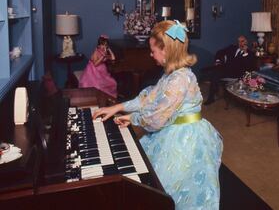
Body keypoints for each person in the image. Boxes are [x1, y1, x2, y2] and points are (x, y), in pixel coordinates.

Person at [92, 20, 223, 210]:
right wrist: (118, 107)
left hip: (186, 138)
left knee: (168, 187)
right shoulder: (170, 74)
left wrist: (133, 118)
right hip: (172, 128)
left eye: (153, 50)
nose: (151, 54)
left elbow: (157, 118)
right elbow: (148, 98)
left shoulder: (181, 79)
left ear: (166, 51)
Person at [204, 35, 256, 105]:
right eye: (239, 41)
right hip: (226, 69)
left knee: (214, 72)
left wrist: (245, 53)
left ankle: (211, 74)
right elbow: (219, 52)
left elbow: (249, 67)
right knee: (215, 72)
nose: (240, 43)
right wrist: (218, 60)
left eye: (242, 41)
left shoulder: (250, 54)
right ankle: (211, 97)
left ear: (246, 42)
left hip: (236, 73)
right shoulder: (232, 47)